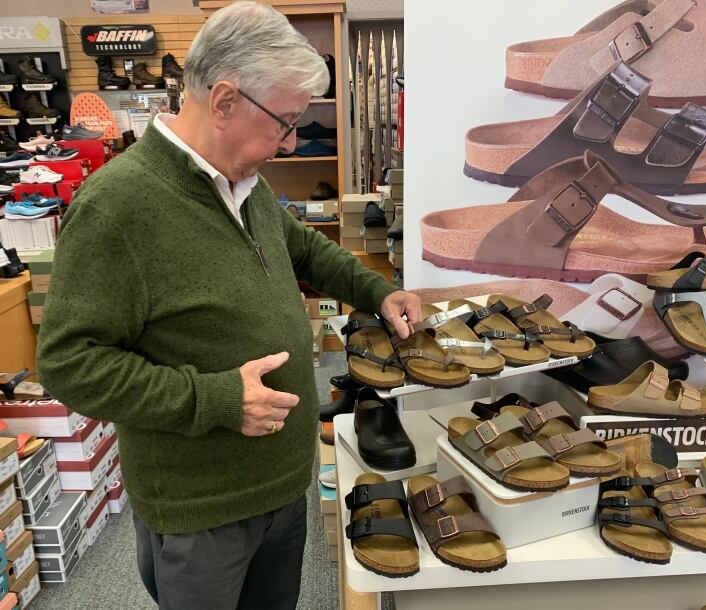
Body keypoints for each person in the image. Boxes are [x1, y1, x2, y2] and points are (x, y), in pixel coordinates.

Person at [36, 3, 420, 609]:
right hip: (200, 512)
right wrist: (214, 399)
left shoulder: (244, 183)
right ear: (223, 102)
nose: (292, 143)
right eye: (285, 123)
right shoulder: (118, 207)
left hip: (278, 488)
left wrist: (378, 290)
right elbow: (68, 363)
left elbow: (305, 251)